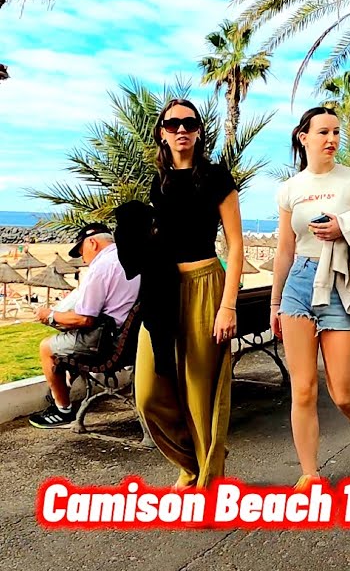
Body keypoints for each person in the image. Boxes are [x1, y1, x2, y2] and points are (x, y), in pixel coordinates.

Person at [271, 107, 350, 491]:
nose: (332, 139)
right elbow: (284, 250)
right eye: (323, 132)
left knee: (342, 392)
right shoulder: (290, 189)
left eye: (336, 132)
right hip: (299, 283)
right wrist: (275, 303)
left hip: (341, 283)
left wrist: (345, 226)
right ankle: (310, 473)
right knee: (303, 388)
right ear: (303, 137)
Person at [134, 99, 244, 489]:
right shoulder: (158, 181)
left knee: (200, 391)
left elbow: (236, 245)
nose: (181, 129)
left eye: (189, 123)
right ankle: (191, 461)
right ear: (161, 133)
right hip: (162, 287)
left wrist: (227, 305)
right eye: (173, 124)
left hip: (205, 284)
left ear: (198, 131)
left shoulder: (216, 177)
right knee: (148, 392)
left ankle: (208, 482)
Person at [28, 223, 141, 429]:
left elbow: (85, 319)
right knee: (66, 337)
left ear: (92, 243)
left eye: (82, 252)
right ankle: (65, 384)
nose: (83, 258)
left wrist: (50, 315)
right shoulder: (132, 259)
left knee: (46, 348)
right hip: (130, 342)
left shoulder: (102, 267)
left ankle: (63, 410)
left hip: (105, 345)